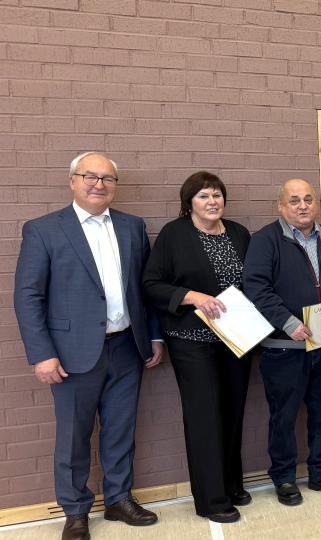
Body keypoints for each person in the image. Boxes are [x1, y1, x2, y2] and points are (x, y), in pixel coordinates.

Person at [14, 152, 164, 540]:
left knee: (120, 430)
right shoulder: (44, 229)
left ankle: (118, 500)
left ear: (116, 185)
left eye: (107, 178)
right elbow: (28, 296)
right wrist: (41, 353)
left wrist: (153, 335)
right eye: (89, 176)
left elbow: (146, 289)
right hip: (70, 354)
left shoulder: (133, 227)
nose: (99, 184)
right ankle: (76, 511)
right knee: (73, 436)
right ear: (72, 181)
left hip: (127, 348)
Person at [142, 172, 251, 523]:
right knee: (205, 417)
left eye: (217, 195)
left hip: (237, 339)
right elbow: (151, 284)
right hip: (192, 341)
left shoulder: (238, 233)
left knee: (232, 413)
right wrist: (191, 297)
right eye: (204, 196)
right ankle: (211, 500)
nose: (212, 202)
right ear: (189, 201)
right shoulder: (175, 235)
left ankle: (232, 484)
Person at [243, 178, 321, 506]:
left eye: (308, 199)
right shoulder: (265, 241)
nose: (303, 205)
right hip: (284, 348)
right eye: (294, 200)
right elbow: (256, 288)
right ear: (281, 206)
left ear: (316, 204)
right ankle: (284, 477)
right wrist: (288, 322)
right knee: (284, 416)